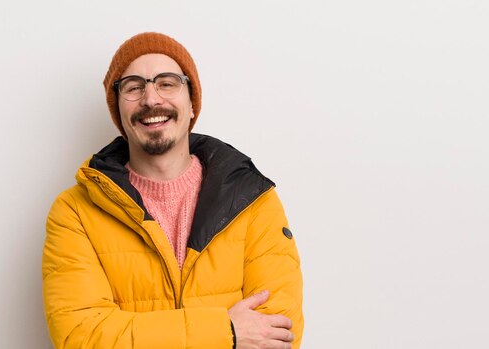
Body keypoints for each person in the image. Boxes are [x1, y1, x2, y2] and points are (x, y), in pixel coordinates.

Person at [42, 32, 303, 349]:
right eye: (134, 87)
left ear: (192, 104)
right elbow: (82, 337)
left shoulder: (253, 200)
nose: (151, 99)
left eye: (167, 83)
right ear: (119, 113)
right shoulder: (74, 212)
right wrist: (226, 332)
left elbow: (278, 335)